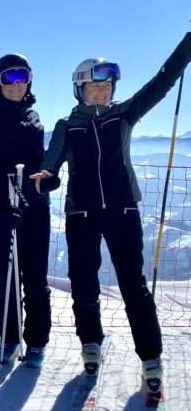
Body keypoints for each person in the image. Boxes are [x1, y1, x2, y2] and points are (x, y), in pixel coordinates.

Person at [31, 32, 191, 386]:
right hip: (81, 215)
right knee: (84, 285)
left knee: (133, 285)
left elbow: (162, 81)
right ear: (80, 90)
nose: (102, 91)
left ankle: (151, 357)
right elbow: (51, 161)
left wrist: (189, 42)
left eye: (107, 86)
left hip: (123, 211)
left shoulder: (124, 115)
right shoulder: (68, 126)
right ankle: (90, 344)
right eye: (94, 86)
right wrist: (47, 176)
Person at [0, 54, 55, 369]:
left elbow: (38, 164)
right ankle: (9, 336)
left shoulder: (34, 119)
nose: (17, 84)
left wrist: (46, 180)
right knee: (8, 276)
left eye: (23, 77)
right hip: (0, 211)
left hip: (34, 210)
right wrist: (1, 208)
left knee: (35, 277)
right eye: (9, 78)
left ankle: (35, 341)